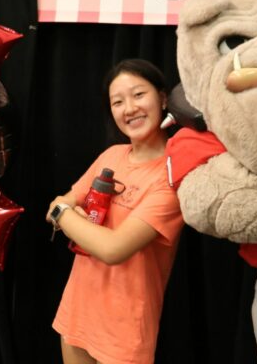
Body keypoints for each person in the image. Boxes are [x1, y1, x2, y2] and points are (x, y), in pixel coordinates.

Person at [46, 58, 183, 364]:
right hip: (77, 311)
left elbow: (113, 249)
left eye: (139, 94)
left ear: (162, 98)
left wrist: (64, 215)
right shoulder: (112, 155)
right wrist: (64, 210)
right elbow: (59, 204)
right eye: (117, 102)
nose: (129, 108)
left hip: (125, 329)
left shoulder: (173, 175)